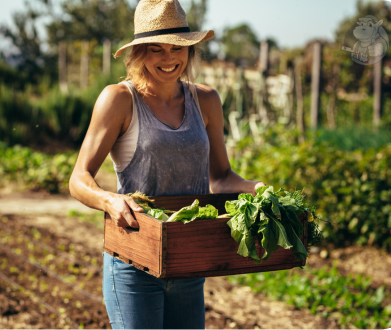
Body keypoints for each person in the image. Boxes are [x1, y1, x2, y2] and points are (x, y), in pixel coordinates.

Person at [69, 0, 264, 328]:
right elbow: (79, 177)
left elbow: (221, 177)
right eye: (156, 49)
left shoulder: (206, 100)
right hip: (134, 261)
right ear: (139, 53)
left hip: (188, 259)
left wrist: (254, 188)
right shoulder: (119, 100)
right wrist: (110, 200)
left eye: (177, 48)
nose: (169, 58)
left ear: (190, 50)